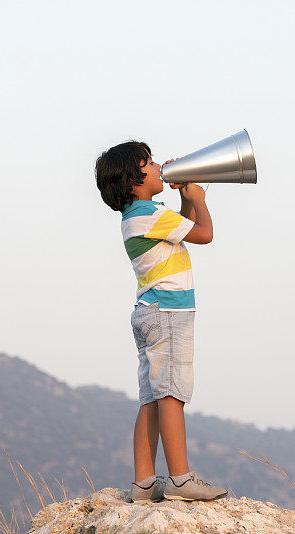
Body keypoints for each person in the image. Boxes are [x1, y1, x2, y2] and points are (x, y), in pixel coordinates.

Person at [94, 140, 228, 503]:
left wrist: (183, 197)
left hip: (148, 312)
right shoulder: (150, 215)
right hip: (169, 313)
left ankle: (143, 483)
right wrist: (199, 197)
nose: (157, 167)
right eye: (149, 163)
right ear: (135, 179)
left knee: (152, 398)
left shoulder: (139, 216)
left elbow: (182, 226)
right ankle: (181, 480)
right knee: (172, 393)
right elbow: (203, 233)